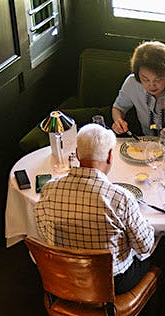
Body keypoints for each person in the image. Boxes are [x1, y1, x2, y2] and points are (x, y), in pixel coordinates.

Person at [33, 123, 158, 293]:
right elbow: (144, 247)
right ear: (109, 156)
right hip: (111, 284)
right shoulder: (120, 197)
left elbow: (43, 233)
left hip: (65, 277)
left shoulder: (49, 189)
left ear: (77, 154)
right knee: (158, 252)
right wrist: (146, 224)